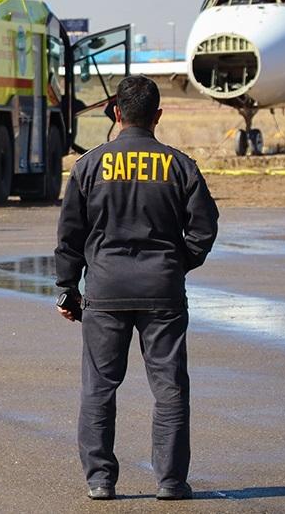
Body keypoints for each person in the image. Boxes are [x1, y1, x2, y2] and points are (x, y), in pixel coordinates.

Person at [54, 75, 218, 501]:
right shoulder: (180, 165)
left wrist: (67, 287)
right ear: (158, 116)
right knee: (169, 387)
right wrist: (177, 264)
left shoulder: (89, 165)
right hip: (162, 291)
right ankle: (170, 481)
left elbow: (70, 233)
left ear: (116, 113)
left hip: (105, 290)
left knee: (99, 386)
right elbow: (204, 227)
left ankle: (100, 479)